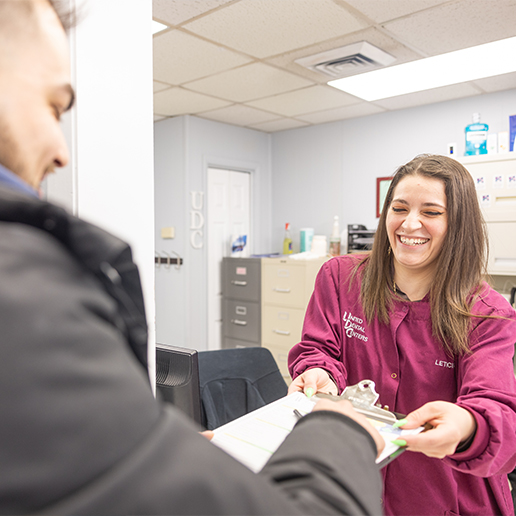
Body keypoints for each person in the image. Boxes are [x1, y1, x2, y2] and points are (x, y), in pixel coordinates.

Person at [0, 1, 385, 514]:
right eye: (52, 107)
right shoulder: (24, 294)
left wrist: (153, 451)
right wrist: (339, 429)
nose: (62, 152)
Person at [288, 153, 516, 516]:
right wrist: (319, 372)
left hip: (445, 493)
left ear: (458, 223)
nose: (410, 224)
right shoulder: (340, 278)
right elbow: (320, 349)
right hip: (355, 479)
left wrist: (468, 424)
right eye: (400, 208)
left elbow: (496, 408)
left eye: (431, 211)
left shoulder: (486, 312)